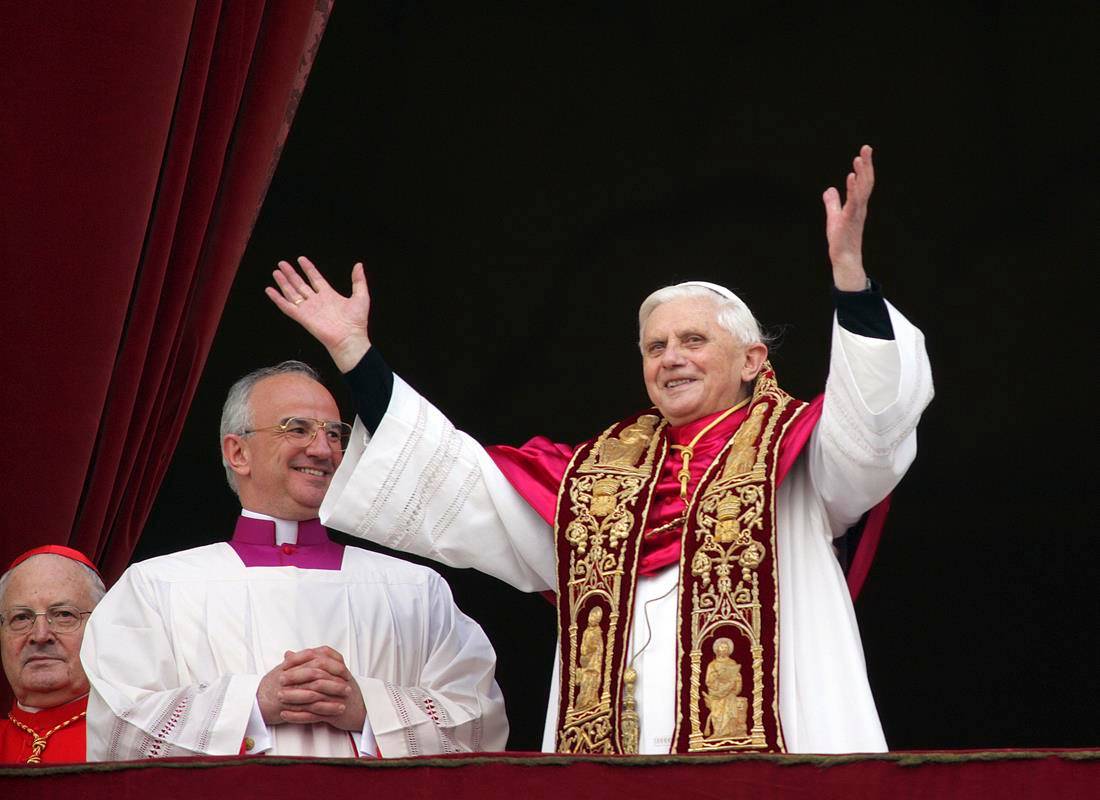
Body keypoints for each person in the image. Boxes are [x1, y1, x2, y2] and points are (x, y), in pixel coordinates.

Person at [267, 145, 933, 754]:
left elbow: (871, 433)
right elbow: (454, 482)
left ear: (754, 359)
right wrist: (357, 357)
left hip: (778, 751)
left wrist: (852, 282)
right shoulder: (593, 482)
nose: (671, 358)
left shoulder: (799, 455)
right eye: (655, 346)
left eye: (694, 341)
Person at [81, 361, 507, 759]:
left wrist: (368, 710)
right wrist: (253, 705)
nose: (323, 449)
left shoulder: (414, 589)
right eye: (297, 429)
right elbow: (118, 730)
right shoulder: (155, 587)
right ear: (238, 453)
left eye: (335, 434)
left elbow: (480, 722)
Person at [0, 545, 104, 763]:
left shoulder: (130, 744)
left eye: (64, 615)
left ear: (101, 628)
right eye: (21, 617)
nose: (40, 635)